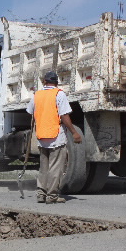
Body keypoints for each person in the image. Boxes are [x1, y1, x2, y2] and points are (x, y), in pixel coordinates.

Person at [26, 71, 82, 203]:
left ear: (44, 82)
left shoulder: (37, 95)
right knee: (56, 167)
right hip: (56, 136)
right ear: (56, 82)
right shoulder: (59, 93)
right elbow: (64, 115)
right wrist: (74, 132)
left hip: (41, 136)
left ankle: (41, 194)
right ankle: (51, 196)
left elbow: (30, 112)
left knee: (43, 168)